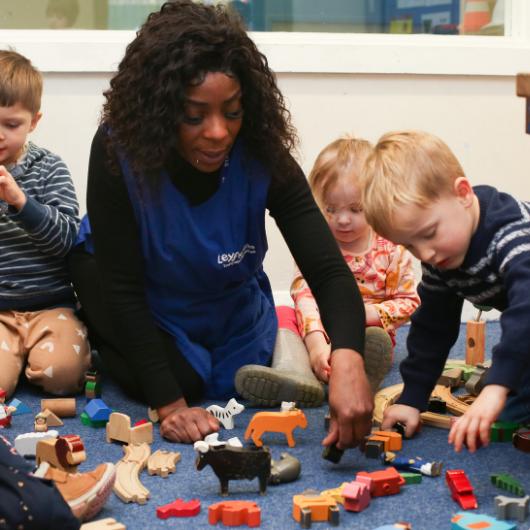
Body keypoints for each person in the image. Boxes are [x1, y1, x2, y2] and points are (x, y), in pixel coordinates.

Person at [68, 0, 373, 448]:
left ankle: (305, 354)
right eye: (194, 116)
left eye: (231, 111)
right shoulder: (118, 149)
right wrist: (170, 407)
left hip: (222, 295)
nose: (217, 132)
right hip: (135, 291)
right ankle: (100, 338)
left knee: (231, 379)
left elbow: (327, 268)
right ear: (160, 110)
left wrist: (349, 357)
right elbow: (122, 288)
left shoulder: (261, 148)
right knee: (183, 381)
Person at [361, 130, 530, 452]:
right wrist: (413, 398)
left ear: (463, 194)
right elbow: (432, 329)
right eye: (409, 245)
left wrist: (496, 388)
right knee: (507, 414)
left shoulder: (512, 237)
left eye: (429, 233)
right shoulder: (441, 257)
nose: (424, 254)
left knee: (503, 389)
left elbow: (526, 311)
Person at [290, 137, 420, 386]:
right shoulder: (315, 243)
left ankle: (359, 370)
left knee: (374, 338)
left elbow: (409, 302)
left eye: (355, 209)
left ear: (375, 200)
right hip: (318, 328)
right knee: (281, 314)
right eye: (330, 209)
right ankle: (301, 372)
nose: (342, 220)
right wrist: (317, 342)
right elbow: (303, 294)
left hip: (367, 330)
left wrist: (366, 314)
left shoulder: (392, 248)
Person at [0, 50, 90, 399]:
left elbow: (69, 239)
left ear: (33, 122)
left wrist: (21, 202)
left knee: (63, 378)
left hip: (50, 306)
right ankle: (15, 360)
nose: (1, 135)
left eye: (11, 125)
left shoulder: (49, 167)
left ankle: (41, 356)